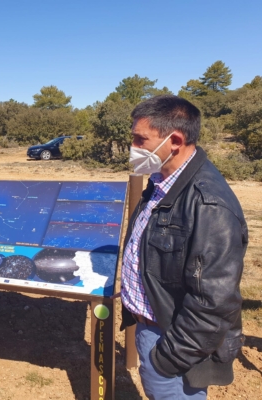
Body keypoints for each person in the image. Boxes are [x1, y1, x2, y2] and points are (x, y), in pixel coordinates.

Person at [120, 95, 248, 399]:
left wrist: (167, 358)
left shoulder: (209, 205)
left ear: (175, 140)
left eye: (141, 139)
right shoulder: (163, 181)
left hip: (172, 344)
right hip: (154, 328)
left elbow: (213, 303)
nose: (134, 147)